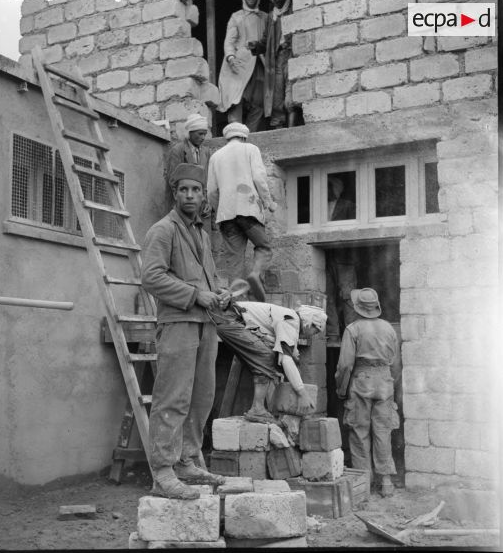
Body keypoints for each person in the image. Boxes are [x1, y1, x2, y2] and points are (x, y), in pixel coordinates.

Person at [141, 163, 228, 500]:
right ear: (175, 194)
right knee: (173, 397)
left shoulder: (201, 234)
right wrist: (195, 295)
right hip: (178, 324)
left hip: (206, 324)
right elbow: (151, 278)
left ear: (203, 195)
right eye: (183, 190)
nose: (190, 195)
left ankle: (186, 461)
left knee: (201, 397)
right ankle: (162, 472)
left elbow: (205, 277)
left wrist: (217, 291)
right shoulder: (163, 230)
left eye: (195, 190)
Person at [211, 291, 327, 423]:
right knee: (266, 357)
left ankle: (264, 408)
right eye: (316, 330)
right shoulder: (291, 320)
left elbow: (284, 354)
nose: (314, 334)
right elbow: (286, 360)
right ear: (309, 322)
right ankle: (257, 409)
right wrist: (302, 393)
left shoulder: (291, 321)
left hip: (231, 320)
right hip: (230, 320)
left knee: (272, 357)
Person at [335, 288, 400, 498]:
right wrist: (392, 385)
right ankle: (387, 482)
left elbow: (345, 365)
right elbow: (396, 364)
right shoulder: (389, 328)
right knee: (383, 431)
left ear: (358, 308)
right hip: (385, 381)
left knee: (359, 431)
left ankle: (364, 483)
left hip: (361, 381)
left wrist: (341, 389)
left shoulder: (353, 329)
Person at [207, 122, 277, 300]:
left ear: (227, 137)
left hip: (226, 216)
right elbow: (259, 178)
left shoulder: (216, 156)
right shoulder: (250, 149)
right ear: (244, 136)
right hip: (249, 211)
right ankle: (255, 274)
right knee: (263, 247)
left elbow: (211, 191)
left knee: (234, 261)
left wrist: (220, 209)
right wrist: (269, 202)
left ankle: (237, 305)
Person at [217, 0, 267, 133]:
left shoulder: (265, 17)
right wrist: (231, 57)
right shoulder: (236, 17)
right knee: (235, 99)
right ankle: (235, 134)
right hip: (239, 64)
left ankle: (250, 135)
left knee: (259, 102)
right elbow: (229, 41)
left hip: (259, 64)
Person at [249, 0, 300, 129]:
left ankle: (292, 129)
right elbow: (266, 40)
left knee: (291, 96)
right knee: (276, 97)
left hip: (292, 55)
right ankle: (279, 129)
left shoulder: (294, 8)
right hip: (277, 58)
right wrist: (256, 46)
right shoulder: (272, 16)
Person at [325, 177, 357, 346]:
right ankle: (332, 335)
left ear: (338, 189)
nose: (328, 191)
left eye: (331, 187)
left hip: (344, 258)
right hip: (326, 257)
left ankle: (351, 334)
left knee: (348, 296)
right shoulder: (319, 206)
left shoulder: (348, 205)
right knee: (327, 297)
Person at [166, 113, 213, 226]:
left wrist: (207, 201)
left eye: (205, 134)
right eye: (200, 134)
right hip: (185, 202)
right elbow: (173, 180)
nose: (203, 137)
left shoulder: (206, 152)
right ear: (190, 133)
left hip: (201, 204)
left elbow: (207, 179)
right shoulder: (178, 150)